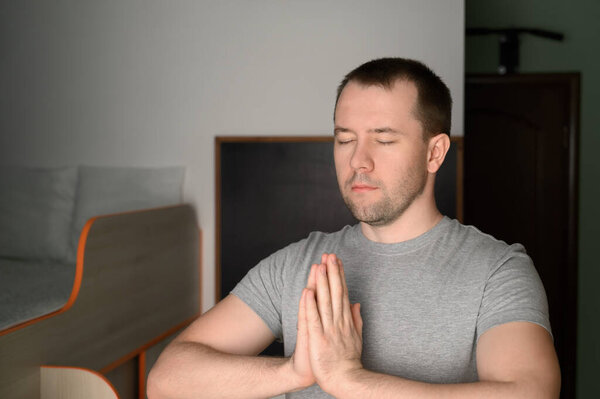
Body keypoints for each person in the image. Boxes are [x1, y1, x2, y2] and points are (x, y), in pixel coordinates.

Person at [147, 58, 560, 399]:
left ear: (434, 153)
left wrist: (351, 380)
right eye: (345, 139)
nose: (358, 160)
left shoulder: (497, 270)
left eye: (383, 140)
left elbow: (531, 392)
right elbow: (166, 379)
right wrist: (293, 372)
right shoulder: (297, 266)